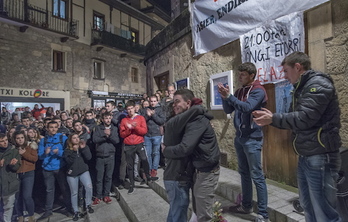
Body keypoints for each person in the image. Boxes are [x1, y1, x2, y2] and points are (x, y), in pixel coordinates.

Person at [253, 52, 342, 222]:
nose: (284, 76)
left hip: (321, 156)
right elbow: (295, 118)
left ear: (298, 67)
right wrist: (273, 118)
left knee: (324, 213)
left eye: (286, 71)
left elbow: (305, 118)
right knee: (308, 207)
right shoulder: (301, 88)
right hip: (307, 154)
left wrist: (273, 118)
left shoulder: (318, 85)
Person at [217, 62, 269, 222]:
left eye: (243, 74)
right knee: (244, 173)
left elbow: (247, 107)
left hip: (252, 138)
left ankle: (263, 214)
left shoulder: (258, 91)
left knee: (257, 175)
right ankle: (246, 206)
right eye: (239, 74)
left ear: (252, 75)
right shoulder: (240, 91)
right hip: (240, 138)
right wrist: (225, 97)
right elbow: (228, 110)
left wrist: (230, 96)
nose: (239, 77)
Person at [163, 89, 220, 222]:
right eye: (172, 103)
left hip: (203, 170)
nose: (174, 105)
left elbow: (185, 148)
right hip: (179, 175)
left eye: (177, 101)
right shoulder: (177, 121)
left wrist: (166, 151)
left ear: (188, 103)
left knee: (197, 212)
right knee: (180, 212)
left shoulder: (195, 120)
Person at [119, 100, 156, 194]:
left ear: (134, 108)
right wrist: (129, 128)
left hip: (139, 143)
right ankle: (132, 184)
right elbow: (122, 134)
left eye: (131, 108)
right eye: (128, 109)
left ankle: (148, 176)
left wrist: (135, 127)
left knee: (144, 159)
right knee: (130, 166)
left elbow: (144, 131)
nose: (130, 111)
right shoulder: (124, 120)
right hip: (128, 145)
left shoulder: (140, 118)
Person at [37, 121, 70, 221]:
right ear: (47, 128)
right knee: (49, 190)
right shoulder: (44, 140)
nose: (53, 129)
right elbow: (40, 155)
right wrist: (45, 153)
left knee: (64, 189)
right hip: (47, 169)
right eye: (51, 127)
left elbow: (68, 152)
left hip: (60, 167)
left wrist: (59, 152)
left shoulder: (63, 138)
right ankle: (48, 210)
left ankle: (69, 208)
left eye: (55, 127)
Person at [64, 133, 94, 221]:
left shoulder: (83, 147)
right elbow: (69, 162)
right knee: (74, 193)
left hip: (83, 171)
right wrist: (73, 151)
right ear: (70, 140)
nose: (76, 139)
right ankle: (76, 211)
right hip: (72, 174)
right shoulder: (67, 151)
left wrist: (84, 148)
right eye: (74, 138)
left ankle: (88, 204)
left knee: (89, 187)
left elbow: (89, 157)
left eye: (77, 137)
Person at [92, 112, 119, 204]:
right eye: (106, 118)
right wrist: (105, 136)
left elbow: (116, 140)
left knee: (108, 176)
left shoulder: (114, 128)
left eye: (109, 118)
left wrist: (110, 135)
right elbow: (95, 139)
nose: (108, 120)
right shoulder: (98, 128)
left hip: (110, 156)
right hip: (100, 156)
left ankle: (106, 195)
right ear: (102, 119)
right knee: (99, 177)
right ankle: (98, 195)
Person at [13, 131, 38, 222]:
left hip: (28, 173)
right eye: (18, 138)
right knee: (17, 197)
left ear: (25, 138)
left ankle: (31, 215)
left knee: (27, 196)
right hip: (17, 174)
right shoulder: (13, 148)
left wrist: (23, 153)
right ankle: (20, 216)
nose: (20, 140)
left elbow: (34, 159)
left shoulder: (31, 146)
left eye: (22, 138)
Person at [142, 95, 165, 177]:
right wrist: (148, 115)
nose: (152, 103)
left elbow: (162, 121)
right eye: (151, 101)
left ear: (157, 101)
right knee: (148, 153)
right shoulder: (145, 110)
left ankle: (154, 169)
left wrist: (153, 115)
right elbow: (142, 121)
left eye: (154, 101)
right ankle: (149, 168)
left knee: (156, 153)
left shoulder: (160, 110)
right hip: (147, 135)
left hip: (156, 134)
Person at [0, 133, 21, 222]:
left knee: (8, 206)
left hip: (9, 183)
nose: (5, 143)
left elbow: (17, 167)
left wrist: (12, 165)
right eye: (2, 141)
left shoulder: (13, 151)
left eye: (6, 140)